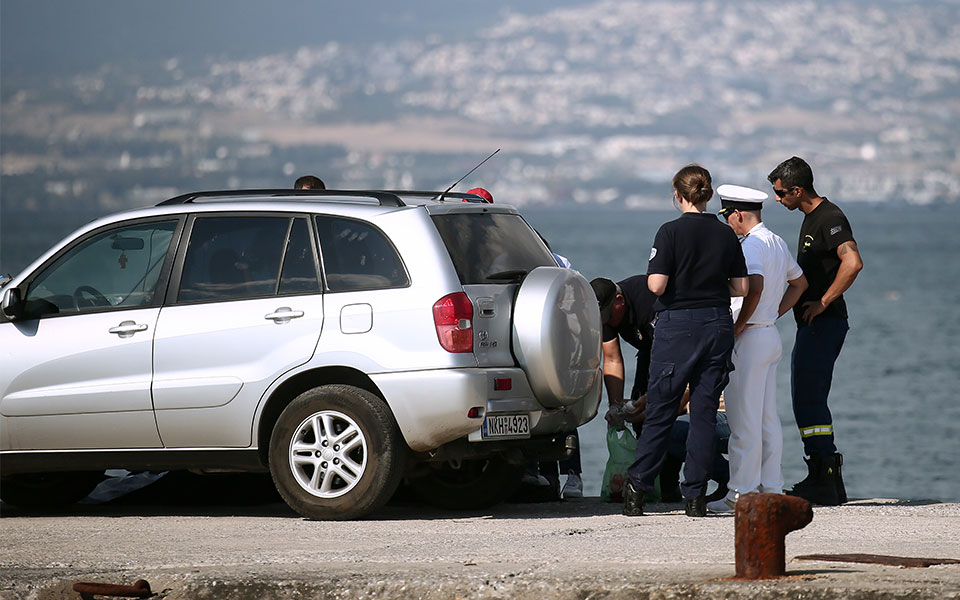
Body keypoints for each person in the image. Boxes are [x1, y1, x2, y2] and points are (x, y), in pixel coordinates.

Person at [623, 164, 748, 518]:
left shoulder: (669, 232)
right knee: (704, 413)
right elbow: (741, 287)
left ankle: (637, 490)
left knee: (661, 410)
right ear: (707, 195)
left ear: (678, 195)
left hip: (678, 326)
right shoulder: (726, 234)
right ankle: (695, 496)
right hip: (716, 323)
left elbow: (656, 285)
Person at [706, 185, 809, 513]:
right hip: (769, 335)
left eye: (728, 217)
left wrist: (739, 326)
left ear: (737, 214)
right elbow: (800, 283)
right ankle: (770, 487)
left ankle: (740, 494)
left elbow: (755, 287)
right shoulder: (775, 241)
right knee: (767, 420)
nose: (727, 223)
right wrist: (772, 314)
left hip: (750, 339)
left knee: (743, 421)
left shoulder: (751, 245)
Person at [768, 157, 863, 506]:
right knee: (806, 398)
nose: (777, 199)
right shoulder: (811, 218)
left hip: (825, 323)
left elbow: (853, 262)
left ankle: (824, 476)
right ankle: (827, 479)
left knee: (809, 398)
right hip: (814, 325)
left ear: (797, 190)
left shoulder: (829, 218)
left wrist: (823, 302)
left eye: (780, 193)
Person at [591, 276, 730, 503]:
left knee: (664, 421)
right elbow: (612, 358)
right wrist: (616, 408)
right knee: (641, 421)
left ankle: (726, 477)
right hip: (650, 353)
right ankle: (664, 484)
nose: (607, 322)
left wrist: (653, 405)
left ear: (619, 300)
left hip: (682, 354)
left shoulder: (649, 300)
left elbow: (683, 375)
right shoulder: (604, 313)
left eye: (608, 316)